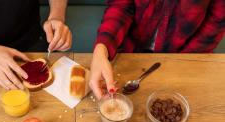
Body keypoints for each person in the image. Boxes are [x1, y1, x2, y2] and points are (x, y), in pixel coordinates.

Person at [90, 0, 225, 99]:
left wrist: (183, 63)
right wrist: (102, 49)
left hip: (186, 58)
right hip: (129, 53)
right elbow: (121, 5)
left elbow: (216, 22)